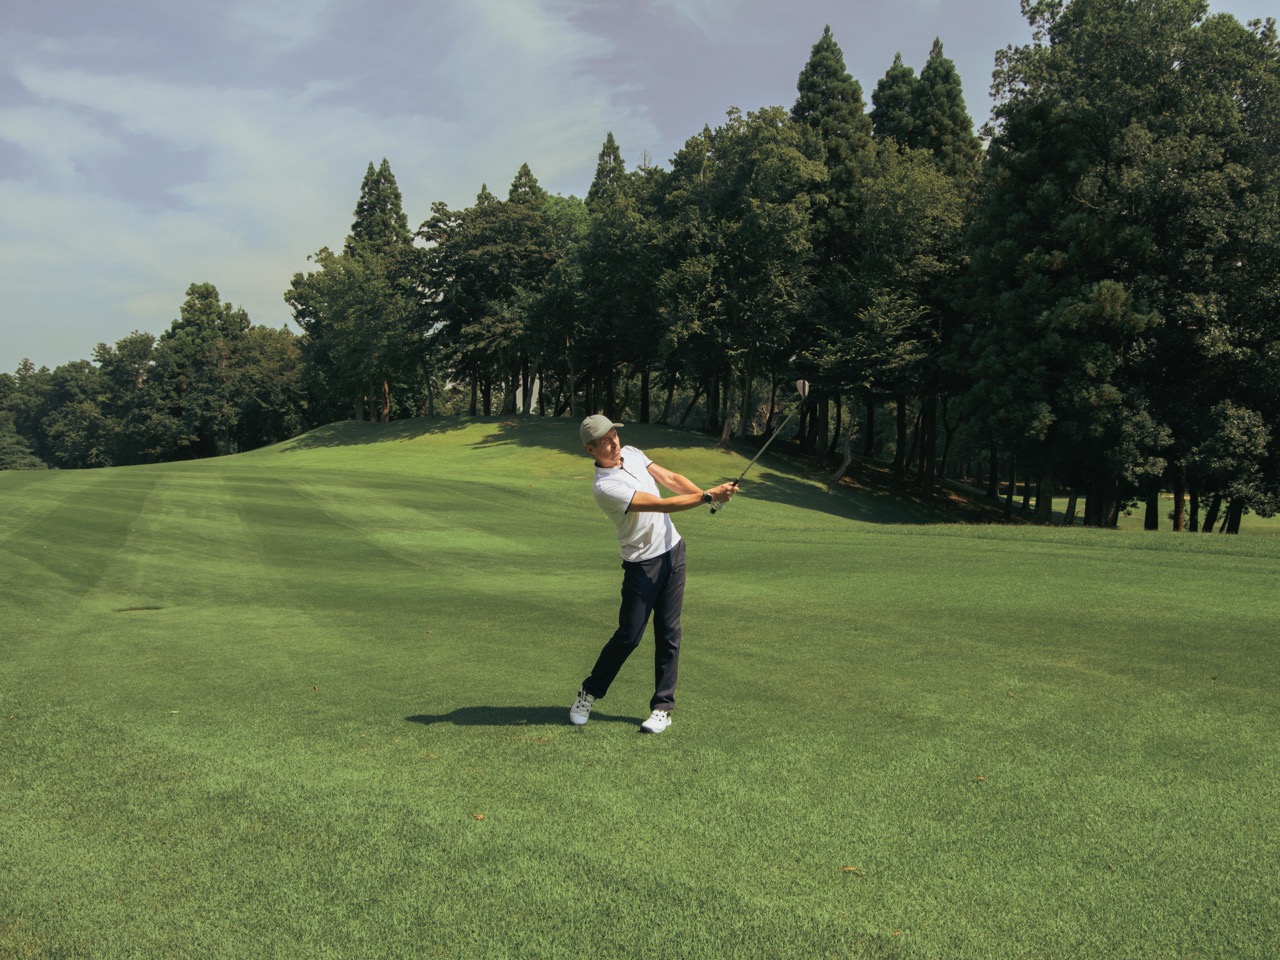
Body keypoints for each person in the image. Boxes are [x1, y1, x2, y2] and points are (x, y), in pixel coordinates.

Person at [570, 414, 737, 734]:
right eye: (605, 441)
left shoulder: (632, 453)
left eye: (614, 435)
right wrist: (707, 496)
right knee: (629, 636)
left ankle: (662, 707)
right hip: (642, 565)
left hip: (673, 552)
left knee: (669, 632)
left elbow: (671, 479)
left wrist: (709, 498)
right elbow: (661, 505)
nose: (614, 443)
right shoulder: (605, 487)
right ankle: (589, 692)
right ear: (591, 449)